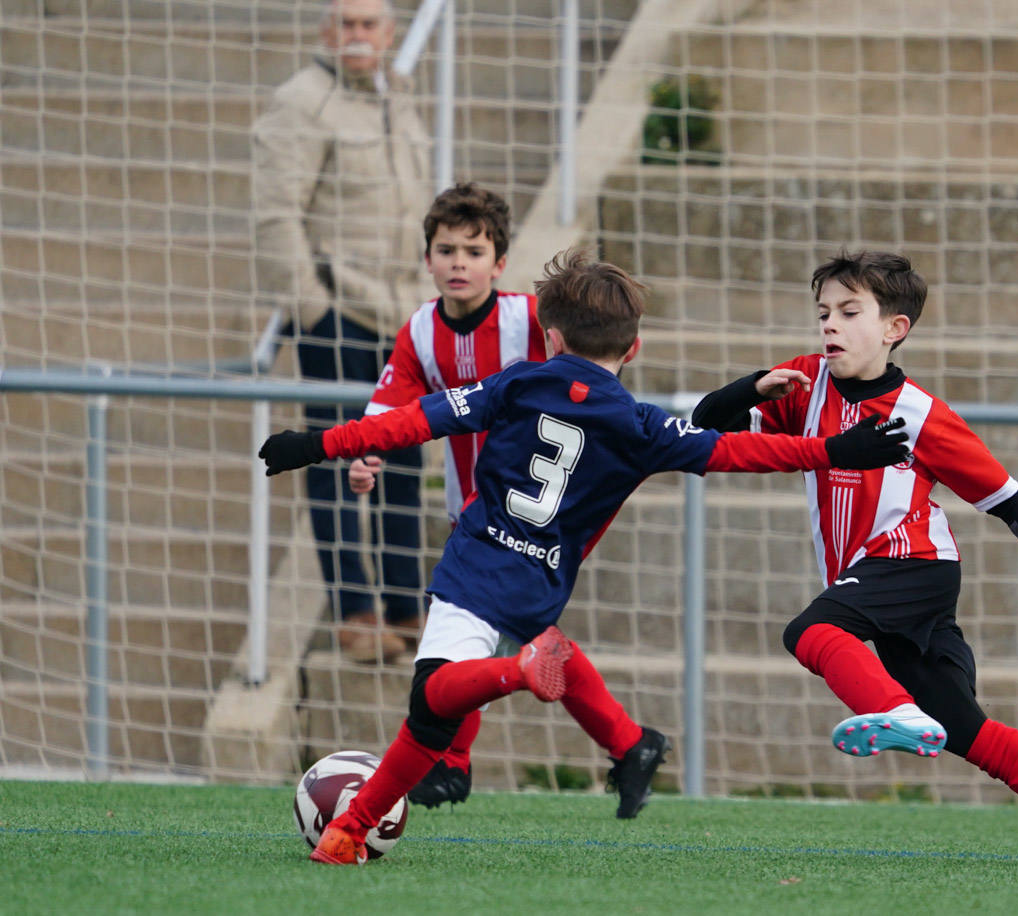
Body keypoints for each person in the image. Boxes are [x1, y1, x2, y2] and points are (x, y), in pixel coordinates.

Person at [258, 250, 913, 865]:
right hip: (543, 580)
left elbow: (416, 420)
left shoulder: (516, 384)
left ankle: (516, 674)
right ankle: (349, 831)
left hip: (478, 563)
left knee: (433, 698)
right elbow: (738, 451)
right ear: (633, 348)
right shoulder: (642, 425)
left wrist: (320, 443)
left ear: (552, 338)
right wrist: (833, 451)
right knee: (433, 720)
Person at [689, 251, 1018, 869]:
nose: (830, 324)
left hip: (915, 565)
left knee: (810, 631)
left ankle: (892, 711)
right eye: (823, 311)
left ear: (894, 329)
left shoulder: (920, 414)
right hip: (882, 578)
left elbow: (1003, 494)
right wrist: (752, 387)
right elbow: (704, 424)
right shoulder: (805, 383)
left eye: (849, 311)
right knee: (966, 729)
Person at [349, 182, 641, 813]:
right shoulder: (419, 331)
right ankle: (629, 743)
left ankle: (451, 764)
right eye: (446, 249)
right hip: (476, 511)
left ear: (499, 263)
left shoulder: (528, 324)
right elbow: (391, 398)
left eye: (474, 251)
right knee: (523, 639)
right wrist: (367, 450)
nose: (459, 262)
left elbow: (587, 372)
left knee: (461, 641)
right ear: (426, 258)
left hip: (531, 514)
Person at [252, 0, 432, 662]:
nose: (358, 35)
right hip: (340, 315)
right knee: (333, 464)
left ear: (389, 35)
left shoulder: (398, 99)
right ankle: (355, 613)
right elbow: (276, 216)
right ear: (327, 32)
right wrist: (312, 311)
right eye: (346, 23)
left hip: (403, 315)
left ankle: (407, 609)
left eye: (370, 24)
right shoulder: (301, 102)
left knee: (407, 462)